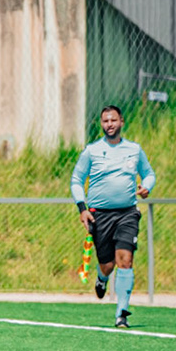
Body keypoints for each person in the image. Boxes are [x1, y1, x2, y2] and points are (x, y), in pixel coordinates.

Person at [71, 104, 155, 329]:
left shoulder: (134, 150)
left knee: (125, 260)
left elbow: (149, 174)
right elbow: (76, 180)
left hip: (127, 213)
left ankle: (121, 314)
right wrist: (83, 209)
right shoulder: (92, 151)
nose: (110, 125)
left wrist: (146, 187)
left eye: (113, 120)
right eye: (105, 121)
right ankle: (102, 278)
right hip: (100, 215)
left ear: (122, 122)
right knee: (107, 264)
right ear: (101, 124)